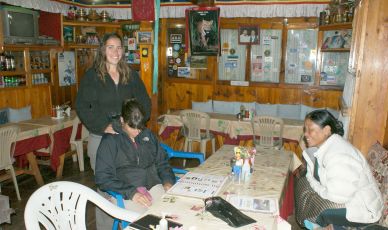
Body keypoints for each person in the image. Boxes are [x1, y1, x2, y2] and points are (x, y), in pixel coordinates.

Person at [75, 33, 151, 172]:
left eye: (119, 48)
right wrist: (104, 126)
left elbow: (145, 102)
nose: (115, 52)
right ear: (103, 50)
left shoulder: (131, 75)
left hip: (128, 138)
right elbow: (83, 106)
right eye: (110, 47)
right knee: (105, 186)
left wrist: (136, 124)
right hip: (101, 137)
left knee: (130, 181)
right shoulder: (92, 76)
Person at [95, 99, 175, 229]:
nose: (137, 131)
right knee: (147, 224)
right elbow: (102, 177)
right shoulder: (110, 140)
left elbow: (162, 162)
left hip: (152, 185)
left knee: (174, 216)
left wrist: (167, 181)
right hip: (126, 191)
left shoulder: (148, 135)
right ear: (122, 120)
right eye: (132, 127)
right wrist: (132, 193)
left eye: (140, 127)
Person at [295, 109, 383, 229]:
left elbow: (337, 197)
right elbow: (310, 176)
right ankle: (320, 224)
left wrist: (317, 189)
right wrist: (314, 186)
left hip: (364, 209)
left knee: (322, 209)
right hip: (345, 197)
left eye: (310, 130)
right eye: (305, 130)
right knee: (303, 183)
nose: (305, 134)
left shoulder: (340, 156)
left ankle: (318, 225)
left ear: (326, 130)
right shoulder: (321, 148)